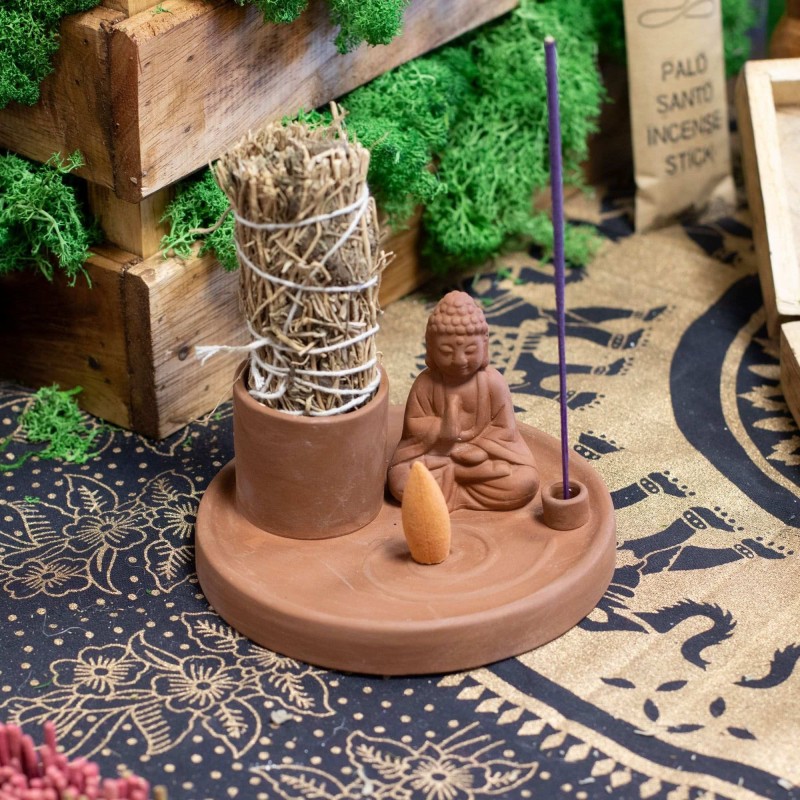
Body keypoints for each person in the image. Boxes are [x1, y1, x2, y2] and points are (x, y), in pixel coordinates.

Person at [388, 291, 539, 512]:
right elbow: (413, 428)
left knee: (524, 481)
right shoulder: (425, 384)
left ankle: (456, 481)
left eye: (470, 351)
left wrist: (475, 449)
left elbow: (505, 431)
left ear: (484, 347)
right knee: (400, 481)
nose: (459, 360)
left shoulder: (493, 382)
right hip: (438, 456)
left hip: (484, 458)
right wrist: (443, 430)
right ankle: (458, 475)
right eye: (446, 351)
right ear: (430, 349)